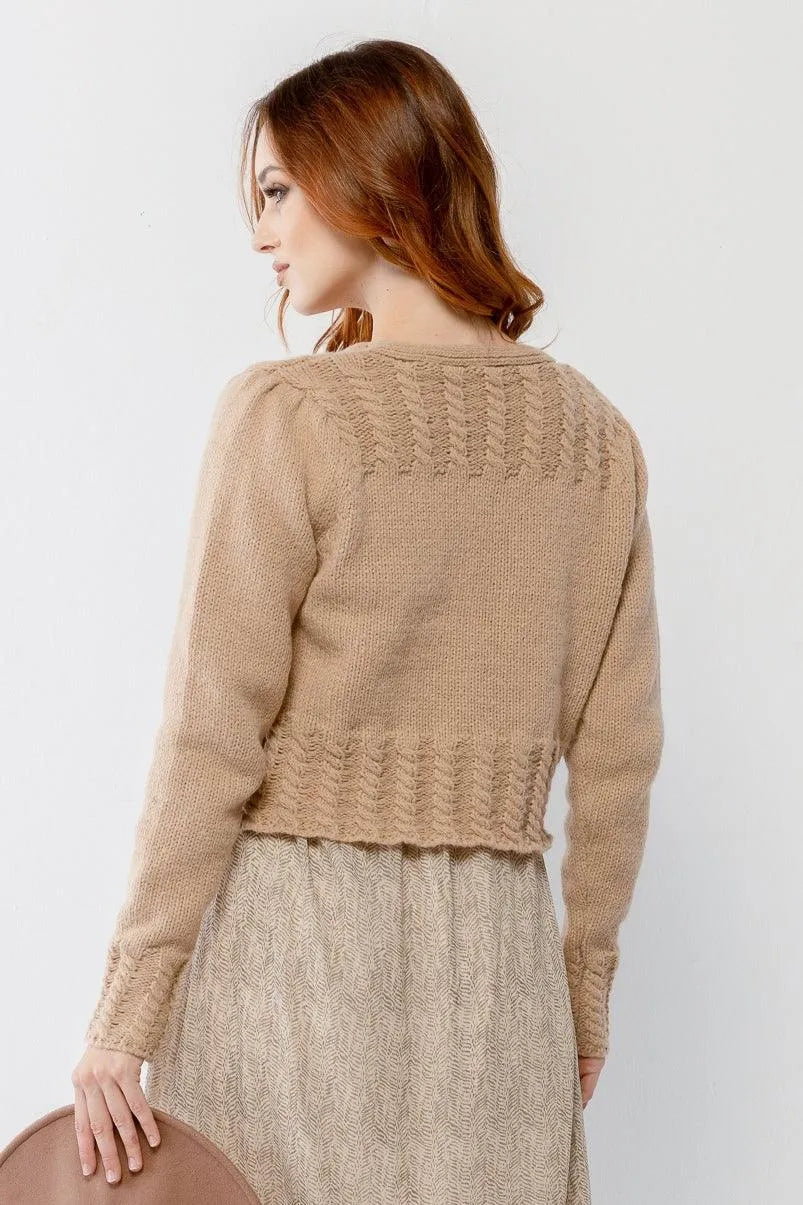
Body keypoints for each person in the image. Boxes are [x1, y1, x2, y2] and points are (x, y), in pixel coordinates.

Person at [71, 37, 664, 1204]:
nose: (260, 231)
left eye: (276, 190)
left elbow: (210, 734)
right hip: (499, 977)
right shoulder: (595, 441)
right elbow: (618, 756)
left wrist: (123, 1015)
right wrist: (581, 991)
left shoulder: (289, 416)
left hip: (286, 964)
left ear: (367, 178)